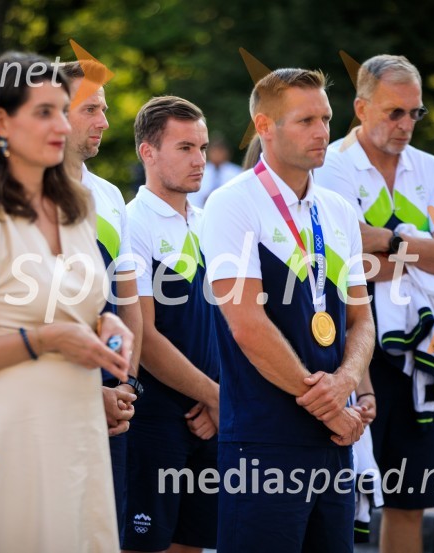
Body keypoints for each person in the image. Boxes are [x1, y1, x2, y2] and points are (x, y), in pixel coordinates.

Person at [0, 51, 133, 552]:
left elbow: (80, 306)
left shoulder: (79, 210)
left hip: (80, 428)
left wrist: (105, 325)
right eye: (44, 111)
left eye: (64, 109)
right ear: (0, 122)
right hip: (8, 434)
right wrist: (45, 340)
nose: (61, 124)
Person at [201, 68, 372, 553]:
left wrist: (345, 384)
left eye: (326, 118)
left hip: (335, 440)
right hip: (264, 440)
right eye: (305, 121)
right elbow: (246, 324)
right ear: (264, 126)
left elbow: (362, 320)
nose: (322, 132)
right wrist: (329, 405)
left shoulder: (337, 209)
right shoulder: (231, 203)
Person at [313, 54, 434, 553]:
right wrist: (420, 251)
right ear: (360, 107)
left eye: (415, 113)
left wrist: (387, 240)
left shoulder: (432, 168)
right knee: (344, 493)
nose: (406, 125)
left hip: (421, 353)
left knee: (411, 500)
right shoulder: (331, 163)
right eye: (394, 112)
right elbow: (342, 261)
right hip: (354, 343)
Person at [122, 95, 222, 553]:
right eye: (185, 148)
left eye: (201, 147)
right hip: (154, 418)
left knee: (193, 545)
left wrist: (218, 401)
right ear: (148, 152)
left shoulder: (210, 222)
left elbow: (228, 323)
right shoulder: (131, 223)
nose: (199, 160)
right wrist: (218, 398)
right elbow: (144, 335)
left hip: (211, 417)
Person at [60, 60, 144, 538]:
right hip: (48, 397)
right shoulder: (18, 193)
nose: (105, 122)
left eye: (105, 109)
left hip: (112, 398)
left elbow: (128, 302)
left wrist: (126, 382)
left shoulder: (110, 195)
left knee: (100, 533)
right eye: (90, 109)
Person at [188, 133, 242, 208]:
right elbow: (192, 197)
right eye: (214, 151)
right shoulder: (198, 171)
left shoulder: (237, 173)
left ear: (227, 153)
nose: (217, 154)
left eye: (220, 151)